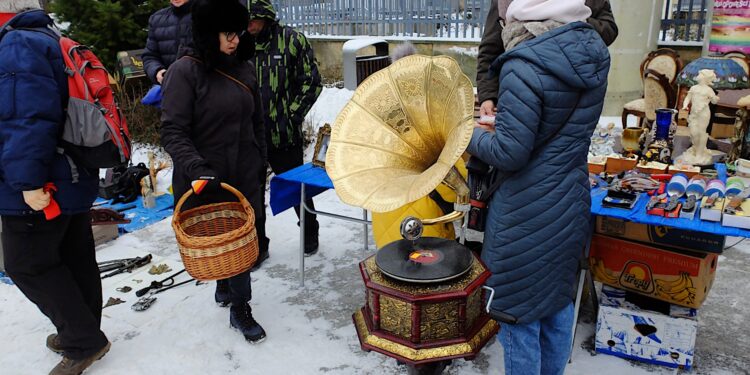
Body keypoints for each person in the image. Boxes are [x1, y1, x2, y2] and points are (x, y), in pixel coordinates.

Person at [466, 0, 610, 374]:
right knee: (557, 302)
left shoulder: (522, 64)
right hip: (569, 202)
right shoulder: (592, 53)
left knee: (520, 314)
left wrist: (468, 134)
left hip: (526, 213)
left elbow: (510, 153)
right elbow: (554, 127)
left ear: (520, 18)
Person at [0, 3, 110, 374]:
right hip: (72, 173)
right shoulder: (50, 38)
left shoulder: (16, 45)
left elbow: (26, 117)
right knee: (73, 253)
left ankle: (83, 340)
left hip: (43, 181)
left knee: (26, 263)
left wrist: (28, 182)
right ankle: (84, 329)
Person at [160, 0, 267, 343]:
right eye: (226, 33)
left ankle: (237, 300)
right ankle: (236, 299)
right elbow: (173, 131)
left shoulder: (243, 68)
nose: (234, 39)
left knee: (241, 240)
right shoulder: (184, 72)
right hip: (206, 176)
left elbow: (257, 122)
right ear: (208, 34)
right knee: (221, 239)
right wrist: (198, 169)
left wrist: (261, 159)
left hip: (245, 170)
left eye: (236, 32)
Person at [246, 0, 323, 265]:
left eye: (253, 20)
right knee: (253, 195)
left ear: (266, 18)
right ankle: (258, 246)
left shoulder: (291, 41)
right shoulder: (242, 45)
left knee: (296, 188)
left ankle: (310, 232)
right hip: (251, 139)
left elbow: (311, 82)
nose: (248, 26)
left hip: (283, 135)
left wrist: (291, 115)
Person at [476, 0, 617, 120]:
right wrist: (488, 96)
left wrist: (572, 20)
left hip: (575, 92)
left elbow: (609, 29)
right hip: (521, 92)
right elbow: (490, 48)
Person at [142, 0, 194, 85]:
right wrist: (157, 71)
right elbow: (150, 56)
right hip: (171, 87)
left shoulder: (208, 14)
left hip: (205, 88)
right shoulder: (156, 19)